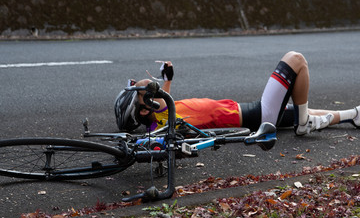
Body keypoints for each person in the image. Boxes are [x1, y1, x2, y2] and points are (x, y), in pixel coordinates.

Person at [114, 51, 360, 135]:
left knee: (299, 112)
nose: (141, 82)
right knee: (296, 60)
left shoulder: (165, 112)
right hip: (256, 115)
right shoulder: (162, 124)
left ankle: (353, 114)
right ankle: (304, 124)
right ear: (147, 108)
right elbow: (158, 126)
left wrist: (167, 80)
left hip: (253, 111)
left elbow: (164, 101)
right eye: (140, 90)